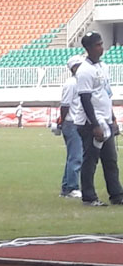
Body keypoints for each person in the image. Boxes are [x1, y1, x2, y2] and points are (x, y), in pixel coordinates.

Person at [75, 31, 122, 206]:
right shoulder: (85, 71)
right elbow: (85, 99)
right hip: (91, 123)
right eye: (98, 45)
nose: (101, 48)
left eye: (102, 44)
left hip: (106, 120)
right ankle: (89, 196)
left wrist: (113, 118)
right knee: (91, 160)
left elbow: (105, 95)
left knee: (110, 160)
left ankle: (117, 195)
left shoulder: (103, 67)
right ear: (88, 48)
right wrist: (95, 125)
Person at [58, 55, 84, 199]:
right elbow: (65, 105)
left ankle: (67, 187)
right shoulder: (71, 83)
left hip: (73, 122)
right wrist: (63, 121)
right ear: (74, 68)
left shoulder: (78, 82)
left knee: (72, 157)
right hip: (72, 122)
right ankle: (72, 187)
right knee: (76, 157)